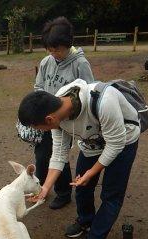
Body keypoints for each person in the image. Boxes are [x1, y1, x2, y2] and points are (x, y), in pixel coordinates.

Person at [18, 78, 140, 239]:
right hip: (93, 141)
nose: (40, 132)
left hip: (123, 140)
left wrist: (91, 173)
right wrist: (45, 189)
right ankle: (85, 221)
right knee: (81, 186)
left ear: (48, 119)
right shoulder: (57, 115)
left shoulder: (103, 101)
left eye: (38, 128)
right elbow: (59, 155)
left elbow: (115, 144)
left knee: (111, 194)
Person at [21, 16, 94, 210]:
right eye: (50, 50)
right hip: (46, 119)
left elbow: (89, 90)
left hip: (67, 119)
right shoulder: (46, 62)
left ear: (67, 44)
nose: (54, 54)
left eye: (57, 49)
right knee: (42, 155)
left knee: (57, 153)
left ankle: (63, 193)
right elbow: (39, 86)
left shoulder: (80, 64)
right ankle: (44, 187)